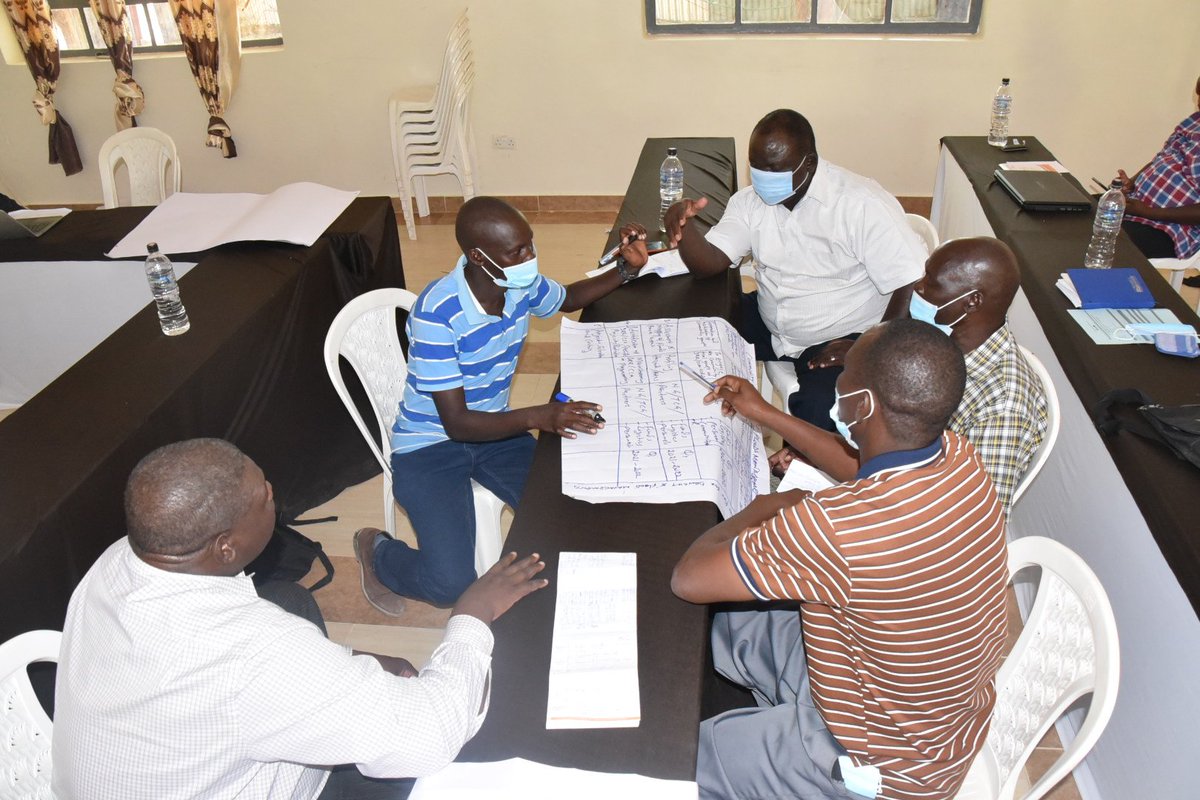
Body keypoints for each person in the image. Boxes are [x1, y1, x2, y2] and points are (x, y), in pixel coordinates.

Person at [53, 438, 549, 800]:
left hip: (151, 765)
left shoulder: (119, 559)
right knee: (451, 752)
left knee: (290, 600)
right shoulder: (253, 655)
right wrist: (472, 612)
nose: (272, 491)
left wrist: (348, 662)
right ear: (225, 547)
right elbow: (430, 735)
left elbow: (261, 667)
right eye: (263, 497)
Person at [672, 320, 1009, 800]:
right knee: (738, 618)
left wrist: (762, 508)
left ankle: (790, 760)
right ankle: (775, 725)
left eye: (846, 374)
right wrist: (764, 413)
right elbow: (858, 466)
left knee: (680, 755)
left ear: (864, 405)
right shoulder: (958, 456)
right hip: (925, 713)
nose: (838, 382)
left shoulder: (835, 527)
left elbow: (689, 578)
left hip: (879, 766)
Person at [362, 196, 649, 613]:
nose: (530, 257)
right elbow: (457, 424)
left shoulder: (518, 284)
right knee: (450, 586)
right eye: (517, 251)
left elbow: (568, 298)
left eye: (530, 244)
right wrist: (539, 416)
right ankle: (377, 552)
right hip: (429, 446)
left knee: (566, 512)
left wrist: (625, 270)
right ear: (479, 257)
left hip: (494, 431)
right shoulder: (436, 314)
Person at [663, 108, 927, 430]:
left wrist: (869, 347)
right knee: (690, 329)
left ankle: (800, 459)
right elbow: (710, 262)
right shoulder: (750, 202)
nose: (763, 177)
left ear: (809, 162)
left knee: (822, 410)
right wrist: (684, 228)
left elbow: (913, 280)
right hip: (772, 315)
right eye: (756, 166)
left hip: (842, 333)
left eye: (774, 169)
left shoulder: (860, 203)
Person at [752, 236, 1047, 512]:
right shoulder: (937, 341)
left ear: (972, 301)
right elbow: (888, 441)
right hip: (877, 481)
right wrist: (818, 458)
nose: (918, 288)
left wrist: (832, 486)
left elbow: (969, 517)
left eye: (931, 282)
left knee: (757, 516)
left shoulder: (1003, 407)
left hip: (905, 522)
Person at [1117, 74, 1200, 285]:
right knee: (1077, 213)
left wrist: (1148, 212)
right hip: (1139, 206)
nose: (1198, 104)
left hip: (1173, 229)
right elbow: (1164, 158)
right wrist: (1132, 182)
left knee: (1102, 240)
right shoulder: (1193, 123)